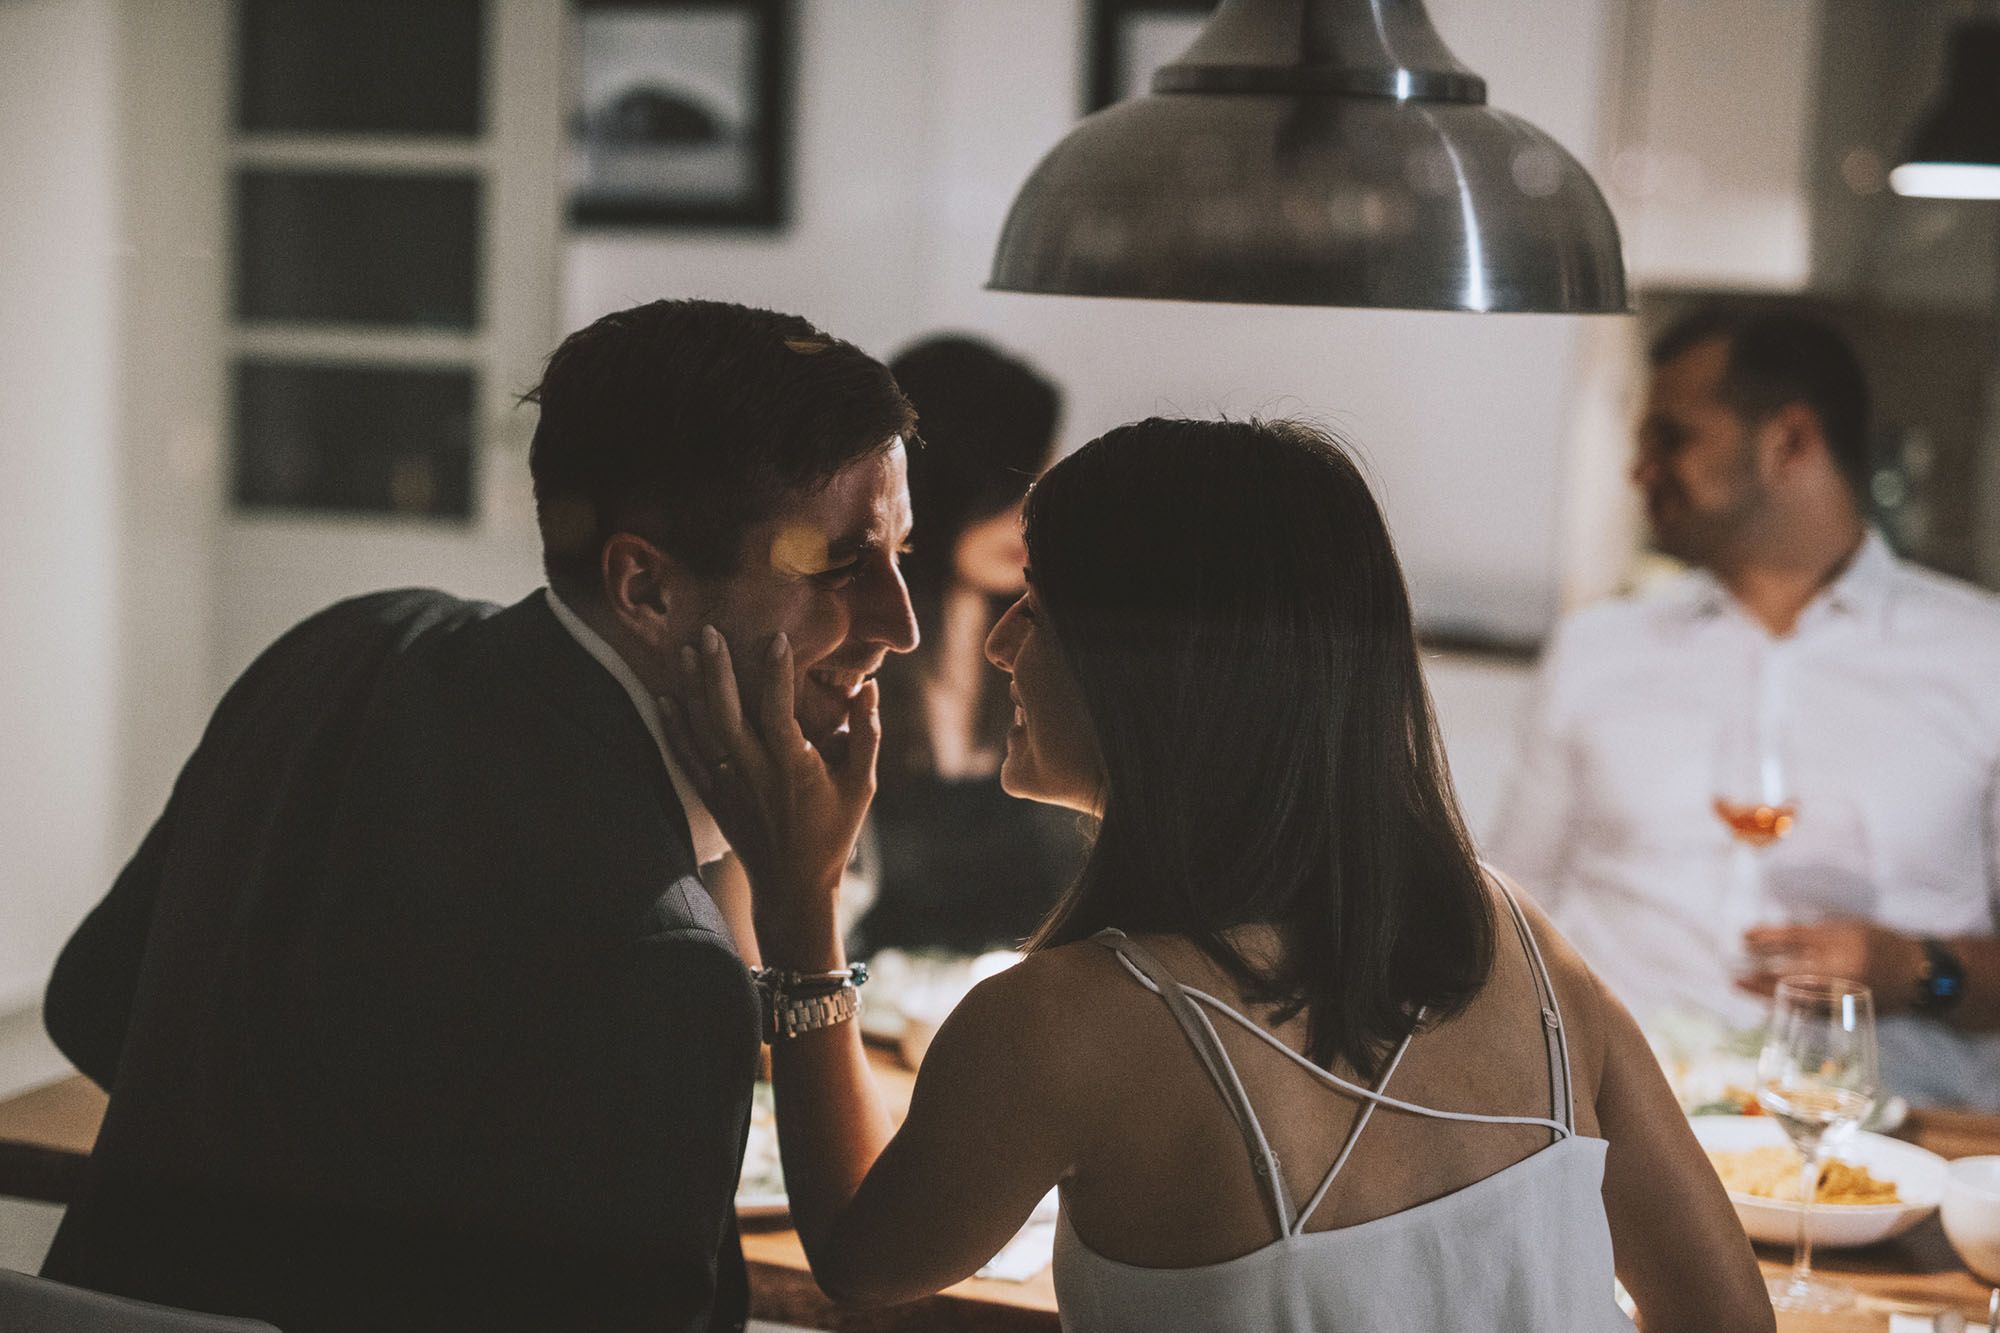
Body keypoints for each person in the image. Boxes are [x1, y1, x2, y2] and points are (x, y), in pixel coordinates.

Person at [663, 418, 1772, 1331]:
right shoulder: (1514, 937)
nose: (1001, 645)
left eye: (1037, 609)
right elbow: (1726, 1317)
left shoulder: (1063, 1022)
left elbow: (862, 1260)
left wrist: (801, 900)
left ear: (1154, 675)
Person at [38, 298, 920, 1332]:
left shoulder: (349, 646)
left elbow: (90, 1004)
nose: (899, 624)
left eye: (904, 552)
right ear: (644, 586)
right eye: (843, 565)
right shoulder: (664, 958)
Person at [1489, 308, 2000, 1111]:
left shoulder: (1982, 656)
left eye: (1672, 437)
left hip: (1893, 1146)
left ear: (1789, 443)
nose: (1640, 469)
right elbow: (1509, 918)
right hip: (1619, 1137)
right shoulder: (1596, 650)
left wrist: (1919, 968)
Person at [852, 334, 1087, 957]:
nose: (1033, 518)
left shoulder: (1055, 644)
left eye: (1047, 484)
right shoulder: (844, 653)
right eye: (1016, 486)